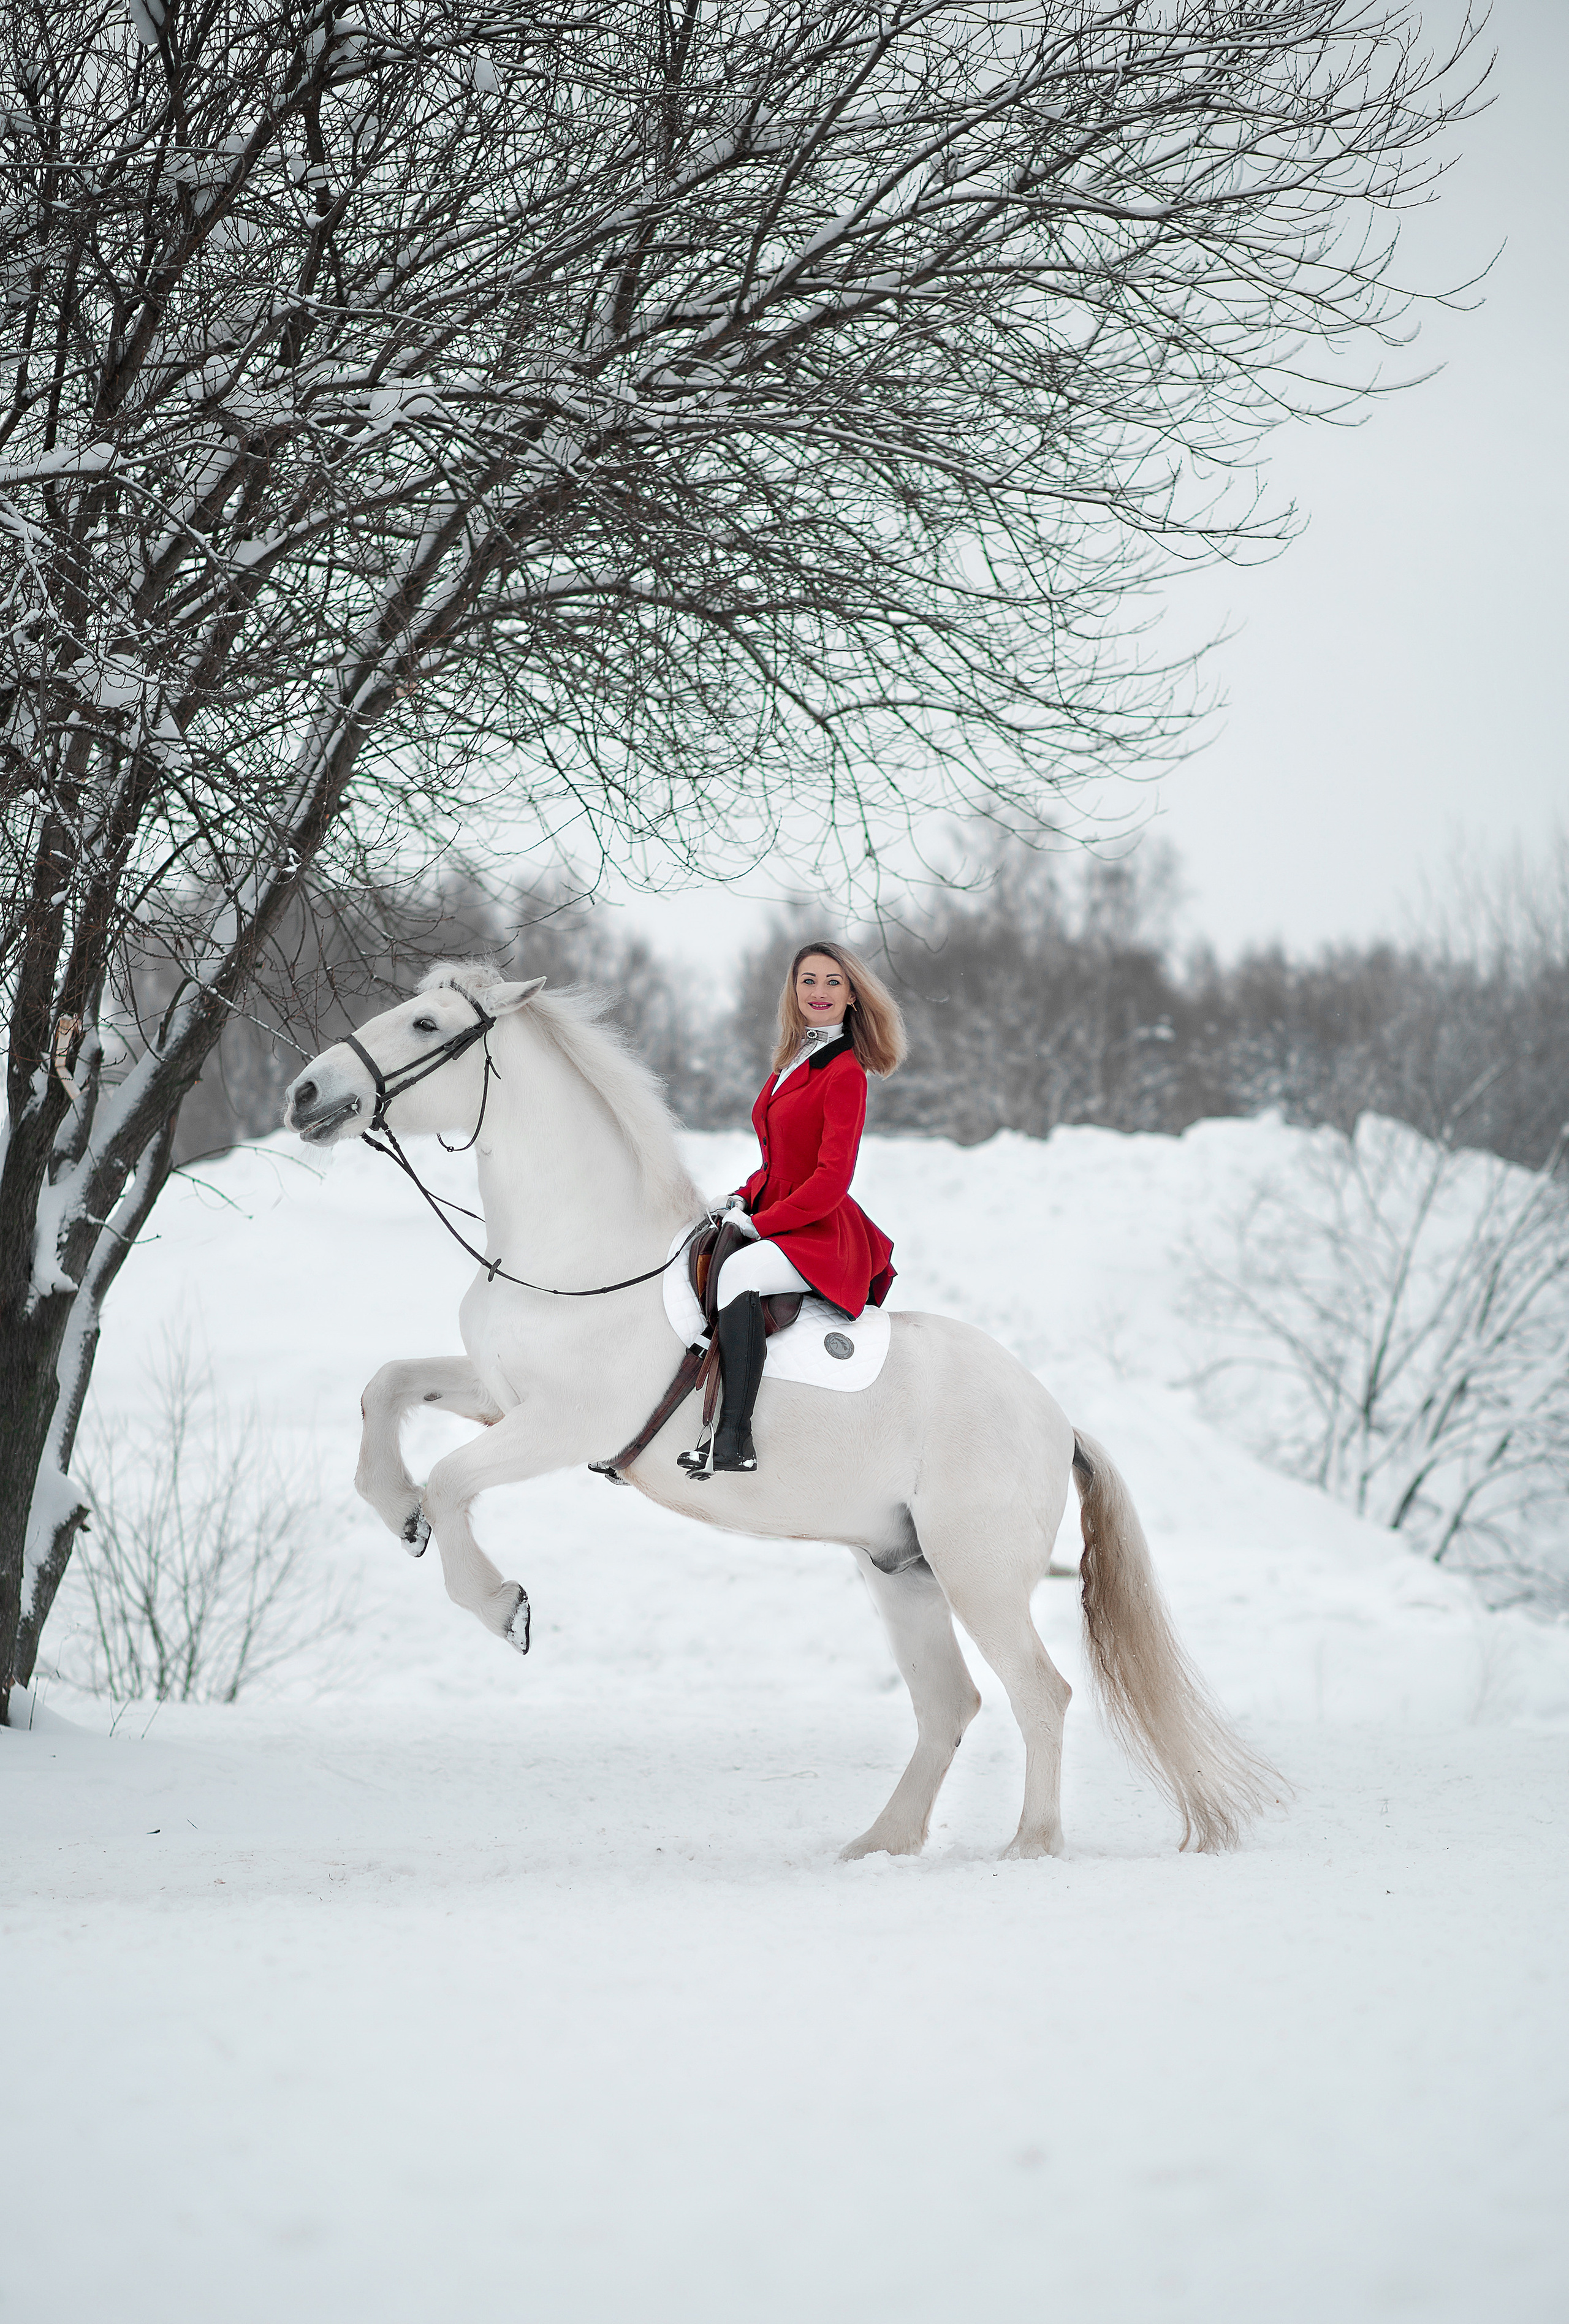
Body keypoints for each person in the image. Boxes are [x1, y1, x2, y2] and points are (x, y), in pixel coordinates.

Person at [696, 940, 906, 1475]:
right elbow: (778, 1159)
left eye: (833, 982)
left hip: (818, 1228)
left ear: (853, 995)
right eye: (808, 980)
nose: (819, 992)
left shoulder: (846, 1073)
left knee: (740, 1272)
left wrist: (761, 1224)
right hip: (777, 1205)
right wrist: (743, 1194)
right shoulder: (792, 1060)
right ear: (793, 990)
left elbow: (830, 1180)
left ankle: (734, 1439)